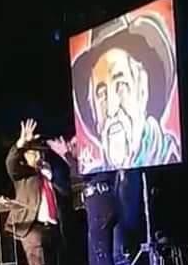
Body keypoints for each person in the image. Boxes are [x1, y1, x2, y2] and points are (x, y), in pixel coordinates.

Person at [48, 137, 152, 265]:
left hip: (103, 207)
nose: (72, 146)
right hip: (107, 205)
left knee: (104, 262)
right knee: (116, 258)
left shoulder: (98, 158)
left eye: (75, 143)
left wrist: (65, 155)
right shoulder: (99, 159)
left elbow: (84, 172)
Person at [71, 11, 181, 171]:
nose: (111, 110)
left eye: (121, 85)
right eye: (101, 94)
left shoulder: (169, 155)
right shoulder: (96, 173)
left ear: (142, 90)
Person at [5, 119, 66, 265]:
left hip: (50, 225)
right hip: (31, 226)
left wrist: (51, 174)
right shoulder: (22, 173)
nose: (38, 157)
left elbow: (65, 191)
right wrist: (20, 144)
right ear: (25, 155)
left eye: (40, 153)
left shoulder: (48, 172)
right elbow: (11, 163)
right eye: (33, 153)